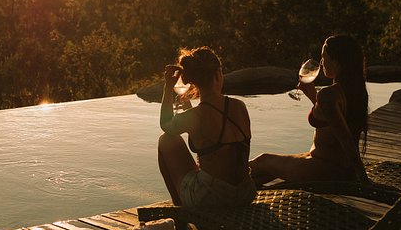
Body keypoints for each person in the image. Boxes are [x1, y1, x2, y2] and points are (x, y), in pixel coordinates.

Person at [249, 35, 370, 184]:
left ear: (336, 60)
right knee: (261, 174)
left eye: (324, 57)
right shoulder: (356, 92)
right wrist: (314, 97)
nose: (321, 63)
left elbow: (346, 139)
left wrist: (364, 180)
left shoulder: (329, 95)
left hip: (325, 169)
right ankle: (239, 190)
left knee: (262, 161)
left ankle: (220, 185)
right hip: (337, 166)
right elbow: (332, 122)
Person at [158, 47, 257, 208]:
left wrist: (168, 87)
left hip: (212, 198)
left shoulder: (196, 116)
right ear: (218, 75)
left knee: (167, 140)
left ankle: (180, 210)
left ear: (193, 81)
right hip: (245, 193)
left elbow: (165, 124)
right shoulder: (240, 106)